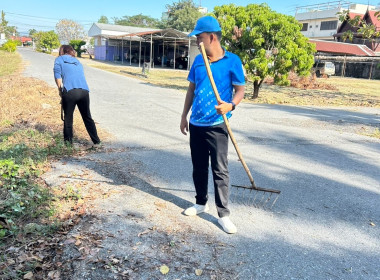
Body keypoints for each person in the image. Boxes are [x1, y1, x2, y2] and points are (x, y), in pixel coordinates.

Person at [180, 16, 245, 234]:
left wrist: (231, 106)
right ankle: (200, 203)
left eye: (199, 37)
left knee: (220, 169)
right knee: (198, 167)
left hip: (218, 124)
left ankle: (223, 214)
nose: (197, 41)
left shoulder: (232, 61)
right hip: (196, 123)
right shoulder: (198, 61)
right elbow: (191, 90)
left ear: (211, 37)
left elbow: (240, 90)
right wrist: (183, 116)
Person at [53, 45, 101, 146]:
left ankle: (68, 144)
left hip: (70, 91)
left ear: (61, 51)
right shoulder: (77, 62)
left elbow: (58, 79)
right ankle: (97, 141)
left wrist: (60, 92)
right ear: (71, 52)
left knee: (68, 118)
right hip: (84, 91)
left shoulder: (59, 60)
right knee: (87, 117)